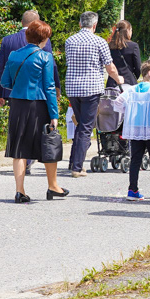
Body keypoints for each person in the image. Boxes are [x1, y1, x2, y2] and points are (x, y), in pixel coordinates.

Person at [1, 20, 67, 203]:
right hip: (38, 105)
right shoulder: (45, 57)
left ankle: (19, 191)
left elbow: (5, 82)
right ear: (43, 38)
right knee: (48, 144)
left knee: (19, 149)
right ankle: (53, 186)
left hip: (17, 105)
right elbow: (50, 87)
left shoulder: (14, 55)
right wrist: (54, 114)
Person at [0, 9, 61, 175]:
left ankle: (20, 188)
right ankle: (52, 184)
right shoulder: (44, 46)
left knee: (19, 141)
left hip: (16, 98)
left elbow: (2, 70)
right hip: (38, 98)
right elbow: (50, 74)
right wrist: (57, 92)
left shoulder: (8, 42)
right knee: (42, 137)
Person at [65, 11, 124, 178]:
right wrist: (118, 79)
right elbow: (109, 66)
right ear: (95, 25)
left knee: (80, 124)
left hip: (73, 88)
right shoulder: (99, 42)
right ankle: (77, 167)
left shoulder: (70, 41)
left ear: (79, 24)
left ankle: (73, 161)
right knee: (86, 127)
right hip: (91, 89)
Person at [115, 60, 150, 201]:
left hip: (135, 129)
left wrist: (127, 112)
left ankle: (132, 190)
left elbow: (117, 102)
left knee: (135, 159)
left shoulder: (132, 89)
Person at [107, 20, 142, 87]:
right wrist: (133, 76)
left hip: (112, 81)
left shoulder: (109, 46)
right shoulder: (133, 46)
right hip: (128, 81)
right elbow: (138, 67)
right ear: (128, 31)